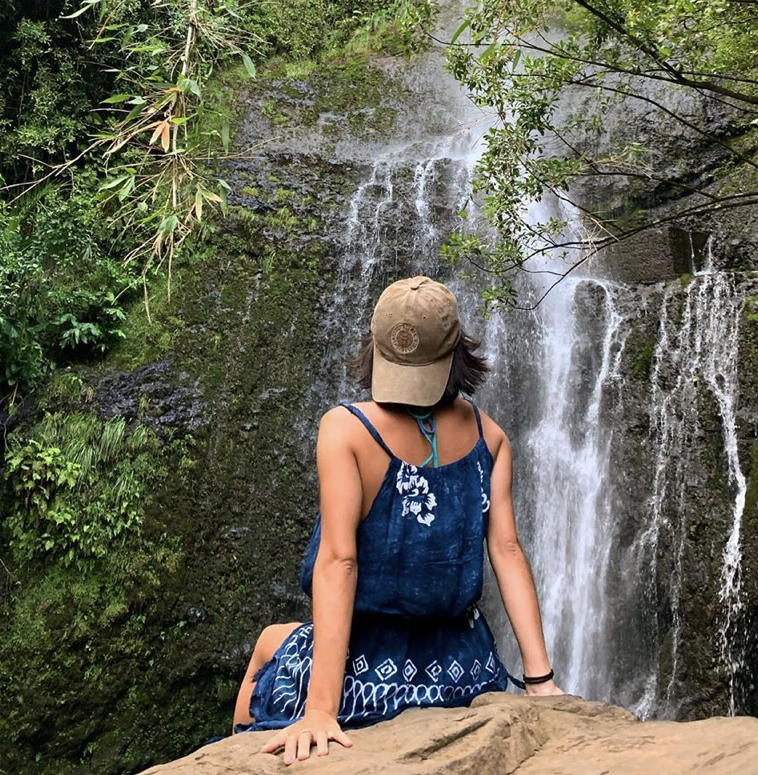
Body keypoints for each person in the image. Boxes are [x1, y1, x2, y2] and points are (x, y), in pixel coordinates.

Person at [234, 275, 564, 764]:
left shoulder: (346, 429)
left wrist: (321, 710)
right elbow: (507, 551)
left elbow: (339, 562)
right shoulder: (488, 436)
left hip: (366, 677)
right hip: (464, 671)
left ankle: (244, 749)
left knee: (268, 643)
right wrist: (540, 681)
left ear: (374, 350)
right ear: (456, 356)